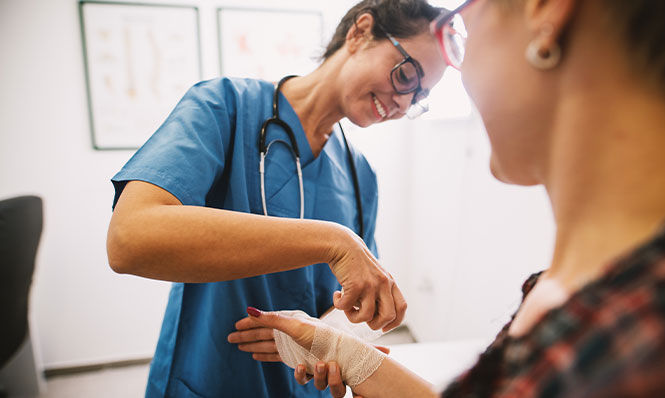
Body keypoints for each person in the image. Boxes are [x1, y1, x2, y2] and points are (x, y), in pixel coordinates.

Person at [230, 0, 665, 396]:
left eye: (462, 29)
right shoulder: (606, 298)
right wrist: (344, 353)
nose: (403, 104)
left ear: (546, 11)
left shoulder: (646, 343)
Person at [105, 0, 447, 396]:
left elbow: (349, 304)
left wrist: (333, 339)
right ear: (360, 32)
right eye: (407, 75)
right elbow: (129, 239)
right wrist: (333, 241)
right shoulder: (224, 106)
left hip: (302, 386)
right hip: (209, 378)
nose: (403, 104)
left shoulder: (360, 174)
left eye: (418, 97)